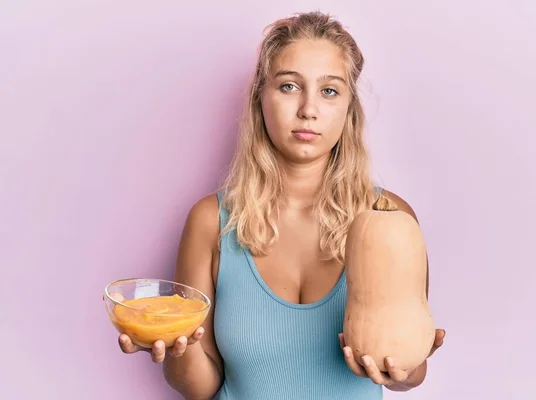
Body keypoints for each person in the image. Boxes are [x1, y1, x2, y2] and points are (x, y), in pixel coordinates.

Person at [117, 11, 445, 399]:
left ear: (348, 108)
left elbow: (411, 372)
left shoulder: (393, 219)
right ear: (261, 97)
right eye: (289, 86)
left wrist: (403, 371)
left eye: (329, 91)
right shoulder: (210, 221)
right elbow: (200, 387)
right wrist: (176, 347)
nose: (308, 109)